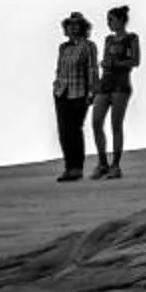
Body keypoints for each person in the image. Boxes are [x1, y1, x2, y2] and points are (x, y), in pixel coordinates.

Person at [91, 4, 141, 178]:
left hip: (121, 85)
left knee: (115, 125)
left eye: (111, 20)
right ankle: (102, 162)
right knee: (96, 122)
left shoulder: (131, 38)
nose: (109, 23)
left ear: (121, 20)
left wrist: (114, 64)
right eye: (108, 20)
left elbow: (135, 61)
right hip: (106, 84)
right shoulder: (108, 40)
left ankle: (115, 165)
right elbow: (105, 60)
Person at [51, 12, 98, 182]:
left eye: (76, 24)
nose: (72, 28)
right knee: (64, 131)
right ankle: (68, 167)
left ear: (83, 27)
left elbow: (92, 70)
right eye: (69, 25)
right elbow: (59, 68)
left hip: (79, 93)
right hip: (62, 92)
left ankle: (77, 168)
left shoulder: (88, 46)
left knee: (74, 130)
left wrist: (92, 92)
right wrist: (56, 85)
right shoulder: (63, 47)